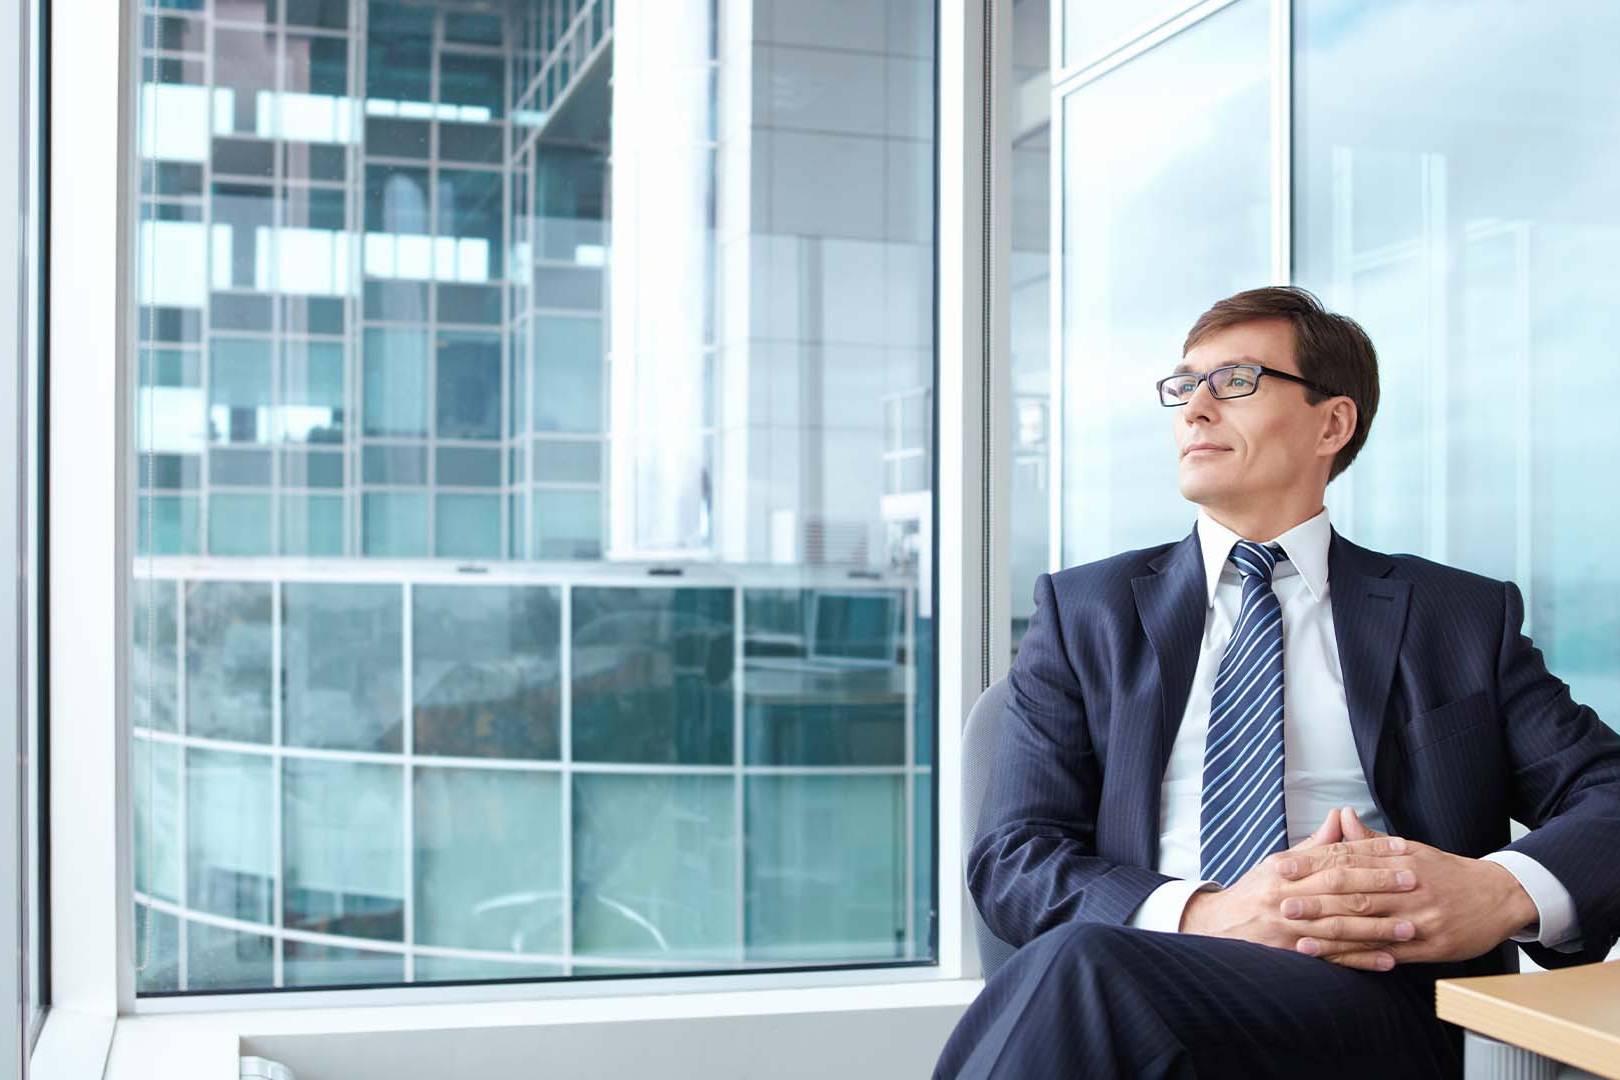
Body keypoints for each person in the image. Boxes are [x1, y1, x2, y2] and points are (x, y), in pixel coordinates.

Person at [935, 286, 1620, 1079]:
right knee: (1087, 969)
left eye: (1233, 382)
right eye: (1183, 385)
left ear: (1332, 422)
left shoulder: (1457, 616)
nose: (1193, 409)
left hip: (1377, 1002)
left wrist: (1497, 891)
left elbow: (1608, 791)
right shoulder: (1084, 611)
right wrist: (1213, 914)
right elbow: (1013, 858)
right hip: (1143, 965)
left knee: (1083, 973)